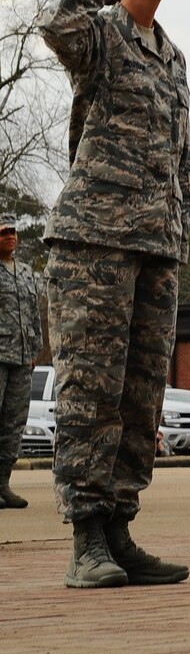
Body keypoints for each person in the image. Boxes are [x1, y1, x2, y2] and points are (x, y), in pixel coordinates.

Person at [39, 0, 190, 590]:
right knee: (89, 392)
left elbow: (181, 154)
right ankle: (86, 539)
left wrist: (180, 228)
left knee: (139, 396)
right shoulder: (100, 35)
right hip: (94, 242)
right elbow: (54, 23)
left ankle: (120, 528)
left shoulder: (172, 56)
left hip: (155, 245)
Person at [0, 212, 42, 509]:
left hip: (23, 358)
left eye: (13, 231)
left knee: (14, 423)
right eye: (4, 232)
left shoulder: (26, 271)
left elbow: (34, 312)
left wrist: (35, 350)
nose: (10, 236)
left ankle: (3, 483)